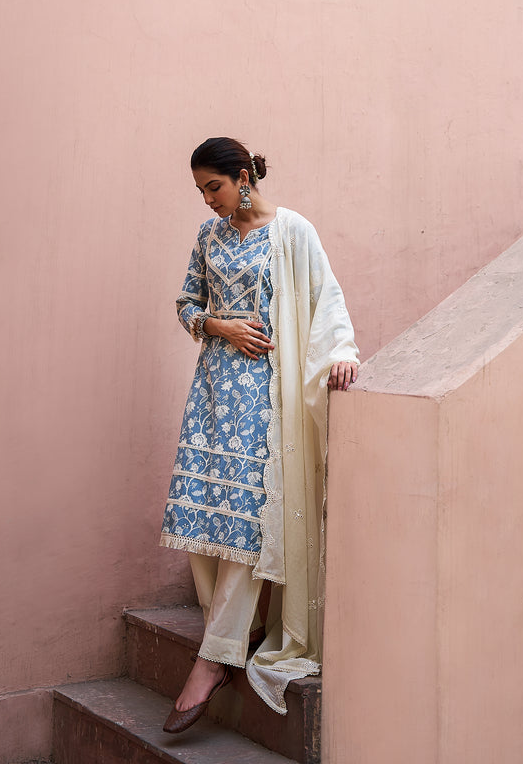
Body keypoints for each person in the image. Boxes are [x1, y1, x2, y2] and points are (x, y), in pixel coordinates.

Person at [159, 137, 359, 732]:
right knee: (201, 519)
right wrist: (218, 325)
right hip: (215, 390)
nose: (208, 199)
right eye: (200, 191)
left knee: (247, 518)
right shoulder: (208, 236)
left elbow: (327, 297)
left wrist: (342, 352)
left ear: (243, 176)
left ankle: (214, 656)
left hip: (267, 395)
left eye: (213, 187)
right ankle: (226, 627)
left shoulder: (293, 231)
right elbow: (186, 302)